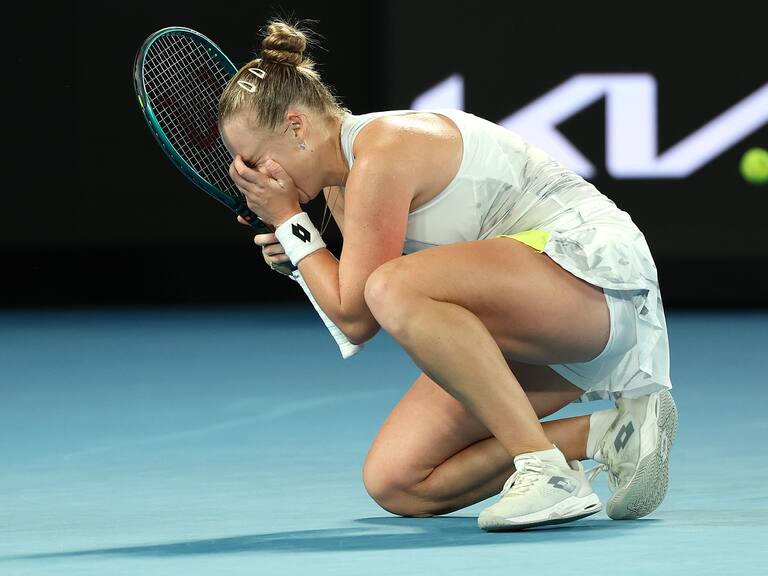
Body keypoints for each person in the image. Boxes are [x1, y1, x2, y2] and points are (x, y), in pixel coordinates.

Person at [218, 20, 678, 531]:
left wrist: (289, 223)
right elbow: (359, 322)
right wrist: (302, 251)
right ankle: (611, 434)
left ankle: (546, 473)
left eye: (254, 160)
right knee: (398, 481)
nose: (250, 178)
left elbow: (362, 304)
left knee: (393, 285)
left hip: (597, 285)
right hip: (541, 323)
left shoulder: (382, 150)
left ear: (298, 126)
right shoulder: (341, 187)